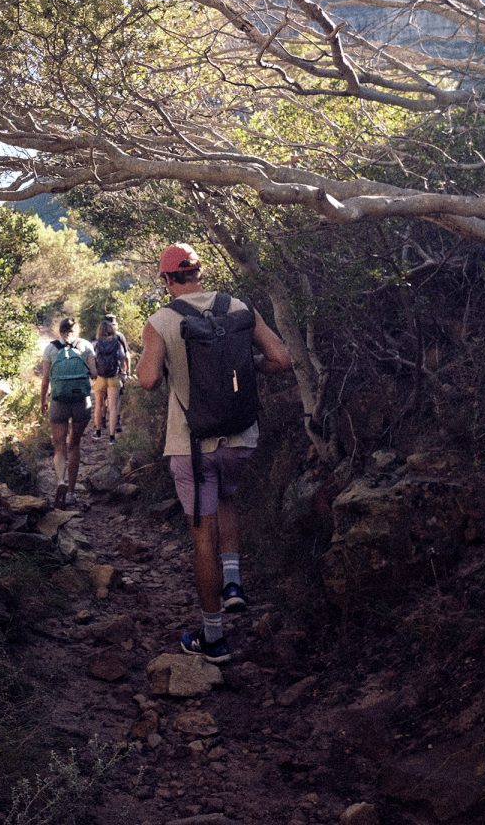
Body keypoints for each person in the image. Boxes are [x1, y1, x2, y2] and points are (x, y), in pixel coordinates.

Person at [138, 243, 293, 663]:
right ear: (200, 272)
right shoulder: (237, 306)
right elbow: (280, 357)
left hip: (190, 445)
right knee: (228, 496)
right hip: (241, 438)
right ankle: (233, 583)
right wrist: (248, 368)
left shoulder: (162, 321)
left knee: (200, 535)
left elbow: (149, 380)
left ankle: (214, 637)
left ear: (167, 279)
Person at [39, 316, 97, 508]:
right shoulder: (86, 346)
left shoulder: (51, 348)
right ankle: (71, 492)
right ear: (76, 330)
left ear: (59, 330)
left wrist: (42, 401)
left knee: (59, 446)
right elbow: (95, 374)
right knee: (74, 445)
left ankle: (60, 481)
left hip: (59, 401)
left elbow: (46, 379)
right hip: (81, 401)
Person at [91, 314, 130, 443]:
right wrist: (125, 372)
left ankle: (97, 432)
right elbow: (124, 358)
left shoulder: (96, 343)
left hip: (100, 377)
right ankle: (112, 437)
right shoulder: (117, 341)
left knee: (98, 405)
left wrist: (94, 374)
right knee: (113, 408)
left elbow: (92, 360)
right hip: (114, 377)